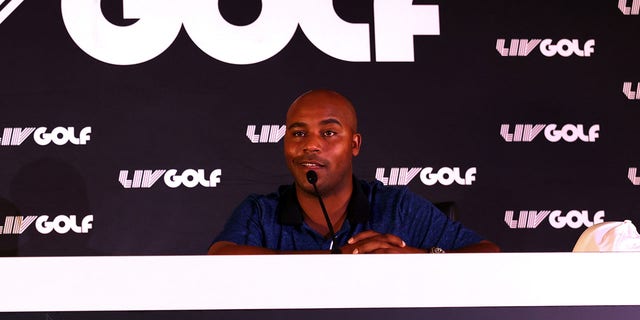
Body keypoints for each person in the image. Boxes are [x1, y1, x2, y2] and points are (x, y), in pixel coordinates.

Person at [208, 90, 499, 254]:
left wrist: (413, 257)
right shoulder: (260, 213)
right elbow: (220, 257)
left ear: (354, 144)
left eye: (328, 133)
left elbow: (487, 254)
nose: (310, 145)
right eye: (298, 134)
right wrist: (336, 261)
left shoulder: (396, 207)